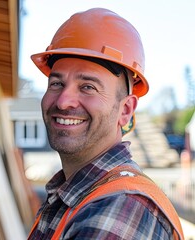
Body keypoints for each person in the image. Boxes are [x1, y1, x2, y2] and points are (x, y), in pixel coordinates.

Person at [27, 8, 184, 239]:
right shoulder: (74, 195)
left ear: (126, 110)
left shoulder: (119, 209)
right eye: (56, 84)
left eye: (88, 87)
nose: (63, 101)